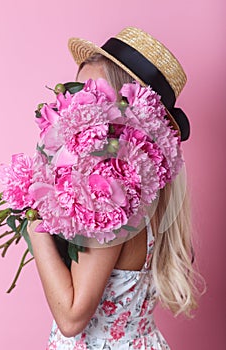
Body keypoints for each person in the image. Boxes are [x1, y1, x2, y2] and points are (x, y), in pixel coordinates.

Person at [27, 27, 200, 349]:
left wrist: (32, 221)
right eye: (79, 93)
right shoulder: (152, 187)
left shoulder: (108, 194)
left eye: (98, 96)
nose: (81, 107)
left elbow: (71, 317)